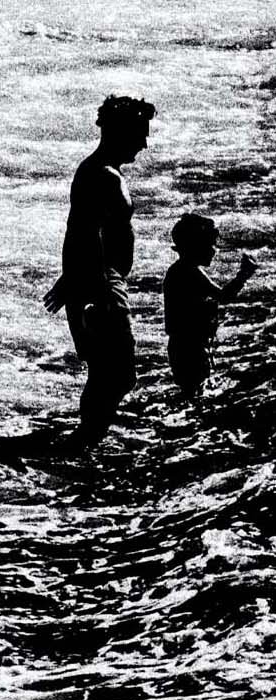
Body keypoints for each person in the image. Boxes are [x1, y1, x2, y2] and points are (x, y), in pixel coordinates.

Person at [43, 96, 155, 443]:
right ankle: (87, 439)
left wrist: (71, 278)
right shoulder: (103, 176)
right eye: (140, 134)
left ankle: (88, 438)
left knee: (106, 371)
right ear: (121, 132)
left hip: (98, 279)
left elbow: (78, 229)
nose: (144, 143)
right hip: (100, 283)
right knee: (117, 374)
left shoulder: (97, 171)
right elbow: (84, 233)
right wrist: (81, 282)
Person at [163, 213, 251, 397]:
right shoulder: (190, 273)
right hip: (190, 348)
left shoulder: (180, 270)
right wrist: (243, 275)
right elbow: (224, 296)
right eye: (209, 245)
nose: (214, 250)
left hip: (183, 346)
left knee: (192, 392)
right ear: (194, 246)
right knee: (196, 392)